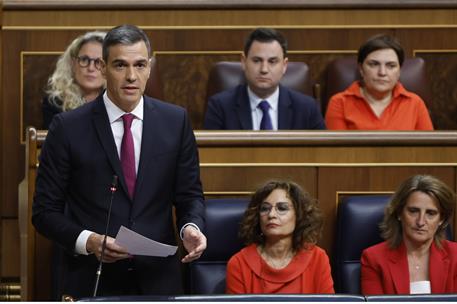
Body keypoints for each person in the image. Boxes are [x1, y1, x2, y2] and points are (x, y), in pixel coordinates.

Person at [32, 24, 206, 299]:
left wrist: (191, 227)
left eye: (139, 65)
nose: (131, 76)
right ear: (103, 67)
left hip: (158, 281)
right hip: (91, 278)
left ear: (149, 67)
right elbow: (44, 212)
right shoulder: (67, 127)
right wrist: (88, 241)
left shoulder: (175, 121)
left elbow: (190, 195)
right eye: (120, 65)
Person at [203, 28, 325, 130]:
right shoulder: (220, 107)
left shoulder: (307, 108)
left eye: (272, 61)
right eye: (257, 61)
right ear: (244, 62)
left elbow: (321, 156)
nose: (264, 69)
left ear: (284, 65)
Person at [226, 180, 334, 294]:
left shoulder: (318, 258)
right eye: (265, 209)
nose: (271, 215)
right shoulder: (239, 263)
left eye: (282, 208)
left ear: (299, 215)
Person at [361, 175, 457, 294]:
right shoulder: (374, 258)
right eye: (413, 211)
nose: (421, 222)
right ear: (399, 213)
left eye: (431, 213)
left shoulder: (455, 256)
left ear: (441, 219)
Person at [325, 34, 434, 130]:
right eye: (374, 64)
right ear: (361, 69)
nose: (382, 72)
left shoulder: (415, 103)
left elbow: (427, 150)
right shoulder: (339, 103)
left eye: (391, 66)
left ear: (399, 71)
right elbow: (337, 152)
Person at [42, 31, 107, 129]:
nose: (91, 68)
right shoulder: (55, 103)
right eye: (84, 60)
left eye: (99, 62)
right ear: (73, 64)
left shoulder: (120, 101)